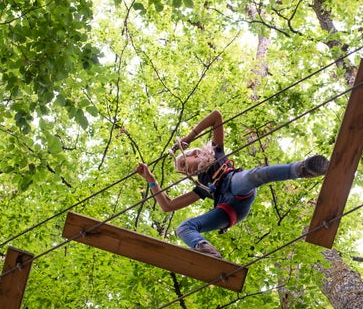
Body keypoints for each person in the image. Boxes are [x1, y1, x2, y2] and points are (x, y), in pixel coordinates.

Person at [135, 110, 328, 259]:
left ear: (194, 154)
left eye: (184, 164)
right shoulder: (201, 186)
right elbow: (168, 206)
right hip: (227, 209)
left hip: (235, 184)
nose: (187, 171)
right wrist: (151, 180)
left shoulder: (215, 151)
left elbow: (216, 117)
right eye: (183, 171)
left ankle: (302, 169)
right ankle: (205, 249)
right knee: (183, 228)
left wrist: (187, 138)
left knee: (254, 176)